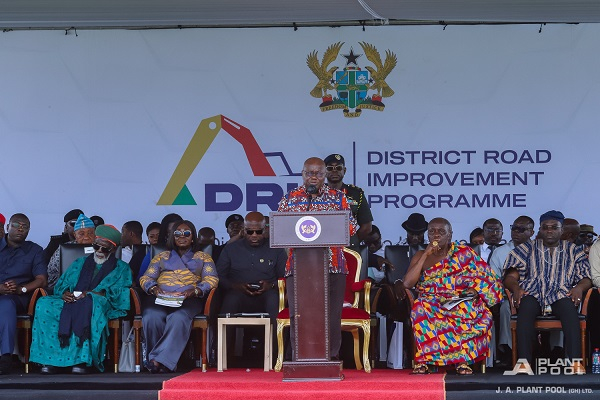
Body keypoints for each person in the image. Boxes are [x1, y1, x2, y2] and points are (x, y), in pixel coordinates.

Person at [277, 157, 357, 360]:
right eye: (309, 173)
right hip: (298, 267)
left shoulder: (338, 198)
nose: (313, 177)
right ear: (303, 174)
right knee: (300, 316)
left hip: (333, 266)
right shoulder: (290, 198)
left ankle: (329, 359)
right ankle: (301, 358)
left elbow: (351, 229)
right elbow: (279, 230)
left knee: (331, 317)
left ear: (325, 175)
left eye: (318, 173)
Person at [403, 217, 503, 375]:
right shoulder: (421, 255)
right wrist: (424, 256)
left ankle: (461, 360)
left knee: (467, 310)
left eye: (441, 232)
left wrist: (476, 291)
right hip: (431, 301)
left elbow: (487, 278)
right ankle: (425, 361)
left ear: (450, 235)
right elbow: (407, 283)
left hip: (458, 298)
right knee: (419, 309)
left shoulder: (463, 254)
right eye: (432, 232)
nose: (436, 235)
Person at [30, 224, 131, 374]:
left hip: (98, 302)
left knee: (88, 304)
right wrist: (65, 293)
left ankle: (82, 360)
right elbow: (61, 285)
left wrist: (91, 293)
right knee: (44, 304)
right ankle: (50, 360)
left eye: (105, 249)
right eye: (97, 246)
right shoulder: (80, 262)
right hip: (72, 300)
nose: (100, 251)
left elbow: (120, 293)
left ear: (114, 249)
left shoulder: (122, 268)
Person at [503, 210, 591, 372]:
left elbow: (586, 277)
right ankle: (524, 363)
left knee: (570, 313)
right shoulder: (526, 248)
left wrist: (579, 287)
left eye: (554, 227)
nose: (549, 230)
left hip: (561, 292)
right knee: (525, 310)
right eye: (545, 227)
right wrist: (515, 288)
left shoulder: (573, 250)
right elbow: (511, 276)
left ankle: (575, 363)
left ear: (562, 230)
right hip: (532, 292)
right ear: (540, 229)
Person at [139, 220, 218, 373]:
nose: (182, 237)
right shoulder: (161, 257)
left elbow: (212, 279)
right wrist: (154, 289)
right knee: (151, 316)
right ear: (172, 237)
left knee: (178, 317)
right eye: (178, 234)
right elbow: (146, 278)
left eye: (187, 233)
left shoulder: (203, 257)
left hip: (188, 298)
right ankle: (162, 361)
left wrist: (195, 291)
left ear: (193, 237)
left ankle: (157, 361)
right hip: (161, 297)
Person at [216, 211, 286, 321]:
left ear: (264, 230)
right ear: (244, 230)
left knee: (273, 301)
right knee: (230, 300)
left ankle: (276, 338)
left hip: (267, 294)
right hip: (238, 293)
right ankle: (224, 338)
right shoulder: (231, 249)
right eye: (250, 232)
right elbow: (219, 277)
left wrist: (271, 285)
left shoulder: (277, 249)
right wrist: (235, 286)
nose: (254, 235)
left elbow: (285, 277)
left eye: (258, 232)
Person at [0, 213, 47, 375]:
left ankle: (5, 357)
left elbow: (41, 280)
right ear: (7, 227)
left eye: (25, 227)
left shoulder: (34, 250)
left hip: (18, 298)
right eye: (16, 225)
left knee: (5, 303)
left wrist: (22, 289)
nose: (20, 229)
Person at [487, 215, 535, 367]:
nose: (516, 232)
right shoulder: (500, 252)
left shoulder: (539, 250)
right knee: (506, 308)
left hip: (537, 297)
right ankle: (509, 350)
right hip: (509, 297)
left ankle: (555, 350)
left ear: (532, 232)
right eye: (514, 228)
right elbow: (493, 281)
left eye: (521, 229)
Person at [324, 153, 373, 245]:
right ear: (324, 172)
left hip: (348, 249)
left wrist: (351, 243)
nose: (334, 171)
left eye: (338, 168)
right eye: (330, 168)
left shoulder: (356, 194)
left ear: (344, 170)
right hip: (322, 247)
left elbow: (367, 227)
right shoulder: (317, 194)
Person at [46, 214, 96, 290]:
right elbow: (52, 275)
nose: (86, 237)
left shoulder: (102, 248)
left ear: (95, 234)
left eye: (90, 233)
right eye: (81, 234)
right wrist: (62, 291)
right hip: (66, 290)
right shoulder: (63, 249)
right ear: (75, 235)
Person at [137, 213, 182, 280]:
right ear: (165, 234)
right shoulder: (155, 253)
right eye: (171, 232)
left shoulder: (195, 253)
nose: (176, 235)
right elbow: (141, 279)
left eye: (178, 232)